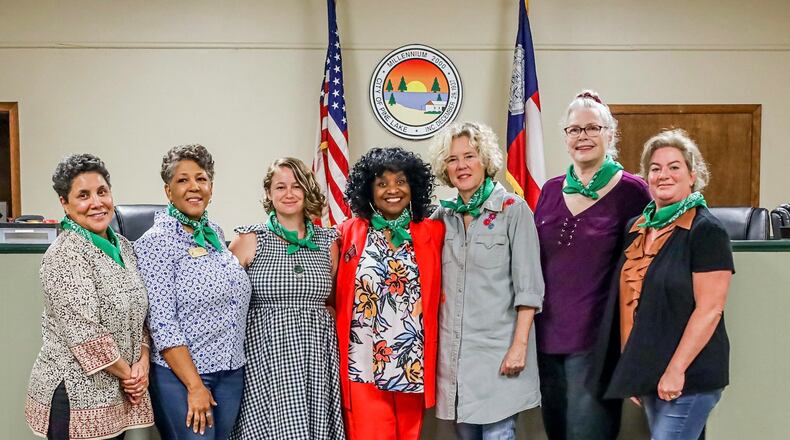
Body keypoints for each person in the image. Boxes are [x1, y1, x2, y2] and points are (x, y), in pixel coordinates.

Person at [592, 129, 734, 440]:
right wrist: (636, 369)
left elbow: (710, 310)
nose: (663, 175)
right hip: (652, 373)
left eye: (674, 167)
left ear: (692, 175)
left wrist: (676, 370)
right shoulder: (637, 228)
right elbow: (633, 304)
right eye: (655, 168)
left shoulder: (706, 231)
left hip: (689, 376)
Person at [533, 90, 651, 440]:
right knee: (556, 429)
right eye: (574, 130)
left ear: (609, 134)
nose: (582, 136)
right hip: (546, 335)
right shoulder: (550, 190)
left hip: (597, 338)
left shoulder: (634, 190)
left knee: (589, 431)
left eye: (592, 128)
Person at [429, 121, 544, 440]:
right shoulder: (443, 217)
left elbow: (529, 289)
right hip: (457, 362)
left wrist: (519, 347)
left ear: (486, 160)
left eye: (469, 156)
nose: (461, 165)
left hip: (499, 354)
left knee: (499, 434)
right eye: (453, 159)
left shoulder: (513, 210)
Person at [25, 153, 154, 439]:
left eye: (102, 192)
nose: (96, 203)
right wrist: (132, 376)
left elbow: (141, 315)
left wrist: (143, 363)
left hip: (115, 392)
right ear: (65, 204)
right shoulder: (64, 255)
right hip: (75, 396)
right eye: (83, 195)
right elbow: (85, 335)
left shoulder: (123, 246)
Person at [134, 144, 252, 439]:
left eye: (201, 178)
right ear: (168, 191)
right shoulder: (155, 242)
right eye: (183, 180)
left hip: (230, 371)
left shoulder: (216, 233)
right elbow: (162, 323)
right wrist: (195, 385)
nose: (194, 187)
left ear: (211, 186)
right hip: (183, 377)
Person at [228, 157, 345, 439]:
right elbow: (226, 302)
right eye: (280, 187)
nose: (289, 193)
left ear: (307, 191)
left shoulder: (328, 242)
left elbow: (331, 301)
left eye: (296, 186)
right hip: (264, 354)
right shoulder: (250, 240)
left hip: (316, 355)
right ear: (269, 193)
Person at [335, 147, 444, 440]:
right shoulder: (348, 233)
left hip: (412, 361)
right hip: (363, 361)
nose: (392, 190)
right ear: (368, 190)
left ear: (413, 186)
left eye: (400, 181)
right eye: (382, 183)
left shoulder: (433, 232)